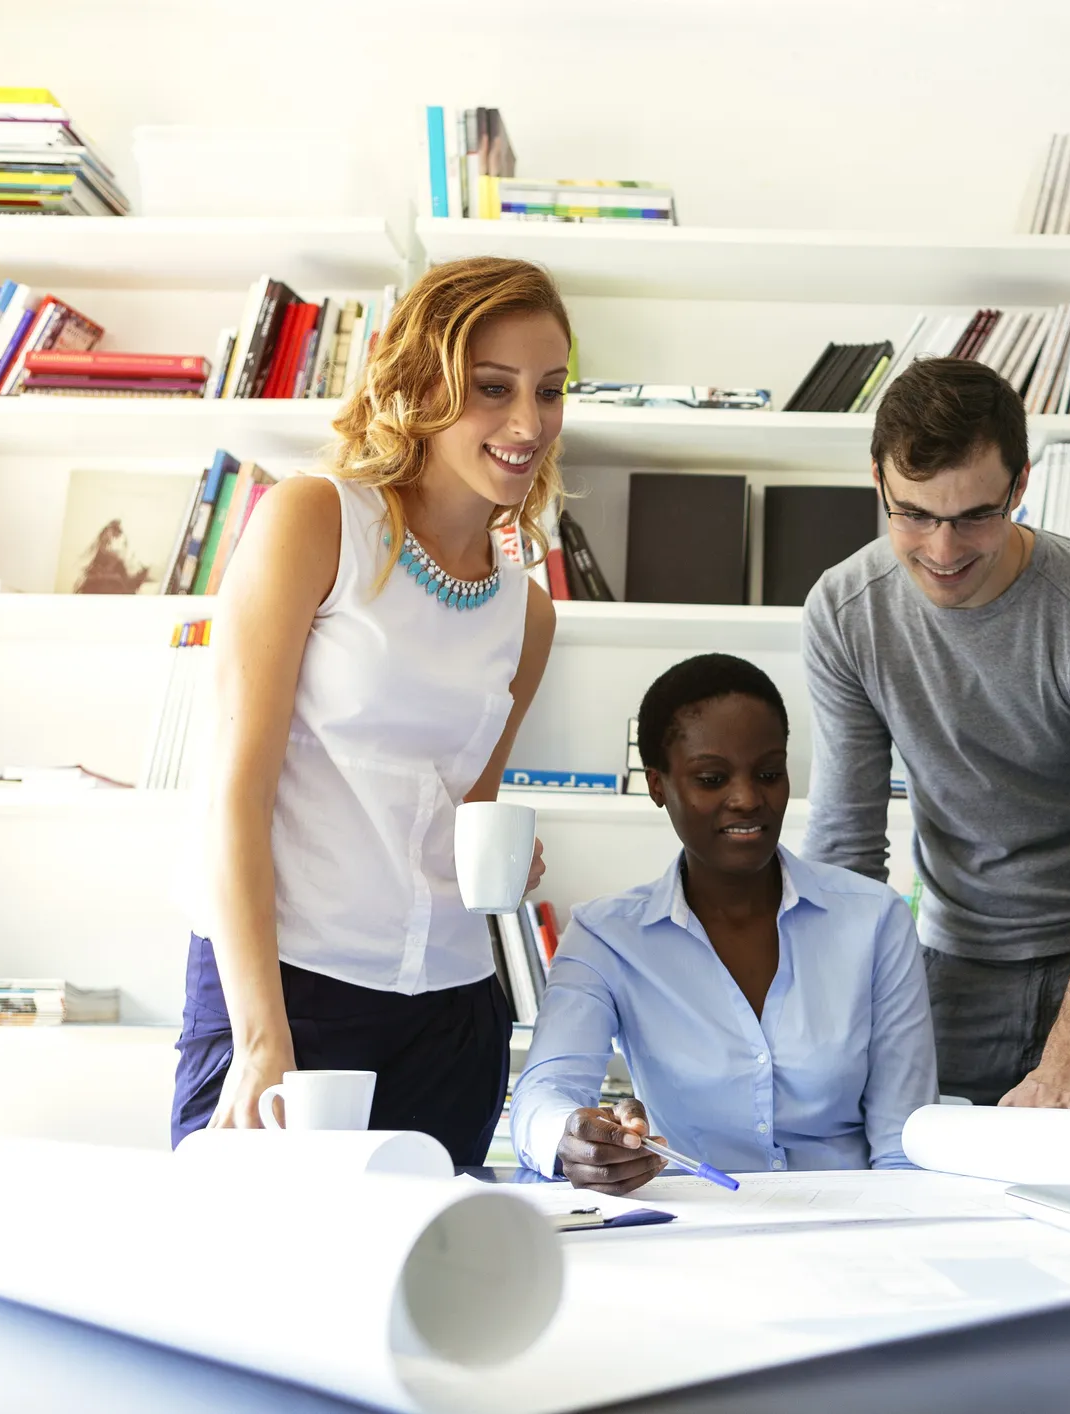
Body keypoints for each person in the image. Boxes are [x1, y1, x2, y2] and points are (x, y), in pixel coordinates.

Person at [170, 256, 569, 1165]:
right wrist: (261, 1035)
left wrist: (507, 853)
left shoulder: (526, 613)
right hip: (288, 990)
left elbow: (472, 812)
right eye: (492, 388)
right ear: (424, 385)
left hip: (454, 1007)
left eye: (548, 392)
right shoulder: (315, 522)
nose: (527, 423)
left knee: (432, 1295)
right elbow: (233, 794)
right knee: (239, 1280)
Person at [803, 357, 1070, 1109]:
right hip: (946, 961)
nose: (942, 550)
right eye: (914, 514)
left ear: (1020, 485)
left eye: (973, 515)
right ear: (878, 481)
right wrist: (830, 1025)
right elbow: (844, 845)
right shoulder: (845, 611)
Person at [513, 654, 937, 1193]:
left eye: (768, 773)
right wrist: (571, 1138)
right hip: (689, 1229)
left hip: (851, 1226)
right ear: (658, 785)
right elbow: (542, 1093)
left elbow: (905, 1142)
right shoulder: (606, 936)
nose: (747, 798)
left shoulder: (876, 921)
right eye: (712, 778)